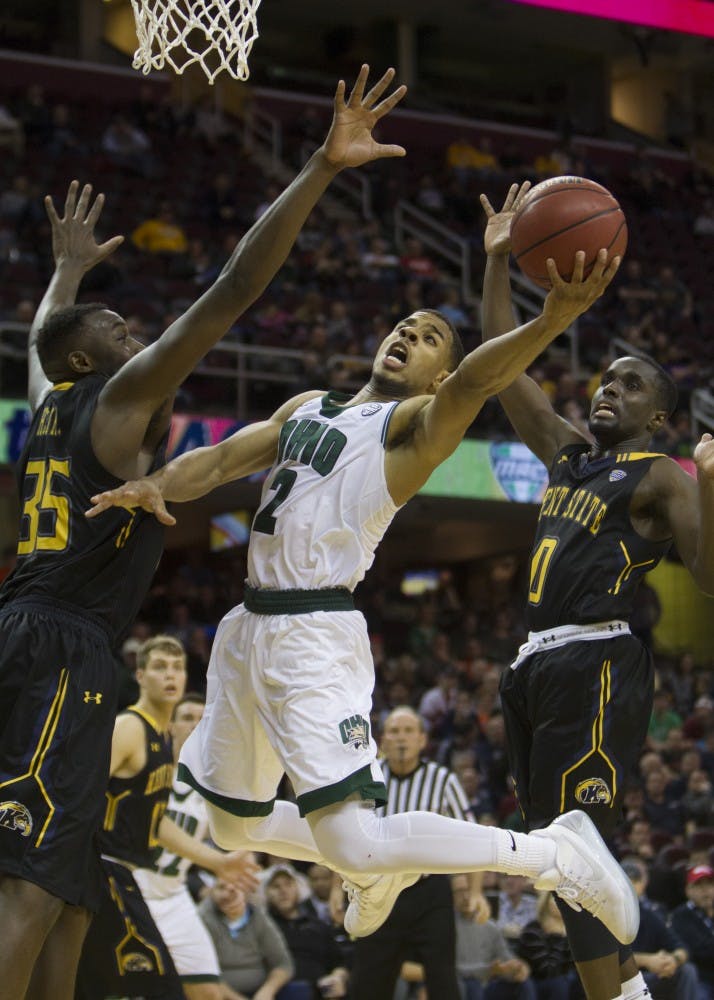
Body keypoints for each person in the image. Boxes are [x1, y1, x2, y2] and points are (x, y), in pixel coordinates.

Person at [86, 185, 634, 952]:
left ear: (441, 373)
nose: (408, 334)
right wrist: (155, 484)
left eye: (430, 336)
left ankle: (553, 854)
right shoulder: (310, 406)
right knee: (228, 819)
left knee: (351, 839)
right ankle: (380, 869)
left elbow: (480, 382)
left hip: (315, 627)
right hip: (247, 624)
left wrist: (549, 319)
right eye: (405, 325)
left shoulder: (412, 429)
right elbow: (217, 459)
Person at [0, 64, 408, 1000]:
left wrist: (65, 273)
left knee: (68, 894)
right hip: (63, 645)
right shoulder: (115, 397)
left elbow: (36, 352)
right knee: (28, 889)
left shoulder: (53, 405)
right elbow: (229, 293)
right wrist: (319, 166)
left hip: (38, 630)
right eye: (108, 323)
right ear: (87, 360)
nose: (127, 325)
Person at [479, 181, 714, 1000]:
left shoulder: (663, 475)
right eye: (605, 379)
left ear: (659, 420)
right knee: (555, 856)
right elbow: (502, 365)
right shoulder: (571, 454)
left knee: (578, 844)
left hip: (600, 661)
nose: (607, 388)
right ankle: (622, 994)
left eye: (630, 385)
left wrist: (711, 486)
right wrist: (499, 261)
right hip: (534, 665)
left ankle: (618, 995)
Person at [74, 635, 256, 999]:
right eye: (159, 667)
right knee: (160, 987)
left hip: (130, 876)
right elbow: (78, 790)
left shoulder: (160, 738)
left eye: (177, 668)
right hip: (104, 872)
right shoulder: (130, 727)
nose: (170, 675)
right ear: (140, 675)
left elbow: (155, 823)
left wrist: (218, 862)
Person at [349, 705, 486, 1000]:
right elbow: (348, 837)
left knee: (443, 980)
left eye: (409, 731)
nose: (401, 738)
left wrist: (475, 891)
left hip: (429, 892)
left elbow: (472, 836)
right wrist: (340, 889)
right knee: (368, 981)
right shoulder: (368, 778)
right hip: (377, 889)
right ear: (382, 740)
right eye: (395, 731)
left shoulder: (443, 779)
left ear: (423, 740)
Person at [134, 692, 255, 999]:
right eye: (187, 718)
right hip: (130, 890)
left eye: (203, 720)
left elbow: (243, 836)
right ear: (170, 726)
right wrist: (216, 862)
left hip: (173, 896)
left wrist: (246, 853)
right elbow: (153, 823)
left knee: (208, 992)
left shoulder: (216, 786)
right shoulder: (146, 766)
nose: (195, 725)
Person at [198, 877, 294, 1000]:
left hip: (258, 992)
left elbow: (283, 964)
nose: (227, 894)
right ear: (211, 891)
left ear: (247, 892)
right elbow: (202, 973)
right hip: (217, 993)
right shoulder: (202, 918)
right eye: (221, 888)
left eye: (234, 889)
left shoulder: (259, 917)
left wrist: (267, 991)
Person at [265, 864, 348, 999]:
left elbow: (339, 963)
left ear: (298, 889)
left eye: (288, 884)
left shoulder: (318, 925)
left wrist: (338, 978)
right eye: (276, 886)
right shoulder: (263, 926)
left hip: (321, 993)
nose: (283, 891)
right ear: (267, 892)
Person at [622, 857, 699, 1000]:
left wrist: (673, 960)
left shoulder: (648, 914)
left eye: (635, 881)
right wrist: (647, 960)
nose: (630, 887)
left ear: (642, 884)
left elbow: (681, 947)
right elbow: (608, 959)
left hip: (650, 976)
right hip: (620, 980)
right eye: (626, 881)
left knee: (688, 970)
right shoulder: (603, 915)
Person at [452, 873, 535, 1000]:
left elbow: (506, 958)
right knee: (472, 986)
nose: (466, 896)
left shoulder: (490, 926)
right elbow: (450, 970)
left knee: (524, 983)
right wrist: (489, 970)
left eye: (469, 890)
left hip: (488, 986)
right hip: (461, 986)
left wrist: (517, 968)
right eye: (459, 891)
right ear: (451, 896)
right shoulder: (445, 927)